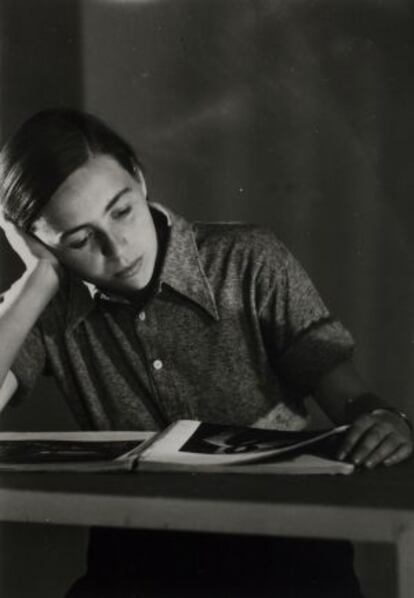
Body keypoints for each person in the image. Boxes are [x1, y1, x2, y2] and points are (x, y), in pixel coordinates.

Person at [0, 108, 411, 597]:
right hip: (140, 564)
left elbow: (351, 397)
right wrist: (37, 278)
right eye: (80, 239)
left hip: (284, 556)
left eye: (122, 209)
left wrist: (386, 420)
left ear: (139, 177)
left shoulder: (250, 258)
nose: (118, 247)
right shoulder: (47, 305)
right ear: (37, 242)